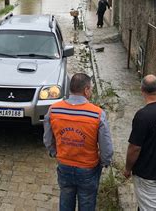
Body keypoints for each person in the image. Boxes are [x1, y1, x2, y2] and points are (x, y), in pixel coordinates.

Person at [43, 73, 113, 211]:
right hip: (88, 168)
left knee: (65, 199)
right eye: (91, 89)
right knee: (87, 202)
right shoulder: (97, 114)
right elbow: (106, 147)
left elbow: (47, 138)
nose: (91, 91)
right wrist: (105, 161)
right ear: (86, 90)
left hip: (64, 165)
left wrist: (54, 153)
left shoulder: (54, 110)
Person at [123, 75, 156, 211]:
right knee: (147, 201)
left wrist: (128, 168)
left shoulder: (143, 116)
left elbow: (134, 147)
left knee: (151, 207)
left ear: (142, 90)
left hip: (147, 171)